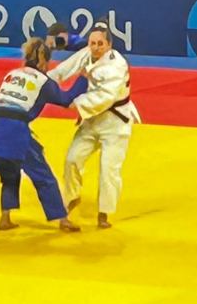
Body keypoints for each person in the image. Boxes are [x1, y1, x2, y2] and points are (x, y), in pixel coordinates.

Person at [0, 38, 87, 233]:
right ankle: (62, 219)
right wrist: (84, 78)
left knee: (9, 175)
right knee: (43, 175)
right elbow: (66, 100)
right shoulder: (42, 81)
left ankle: (5, 217)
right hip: (15, 132)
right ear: (44, 61)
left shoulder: (12, 74)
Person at [47, 25, 138, 230]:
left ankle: (104, 212)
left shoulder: (117, 65)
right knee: (72, 159)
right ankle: (72, 197)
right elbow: (63, 70)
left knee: (109, 169)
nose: (95, 48)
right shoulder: (87, 54)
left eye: (100, 44)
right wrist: (42, 81)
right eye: (92, 43)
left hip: (115, 123)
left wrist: (76, 103)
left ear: (109, 45)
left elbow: (105, 98)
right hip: (91, 121)